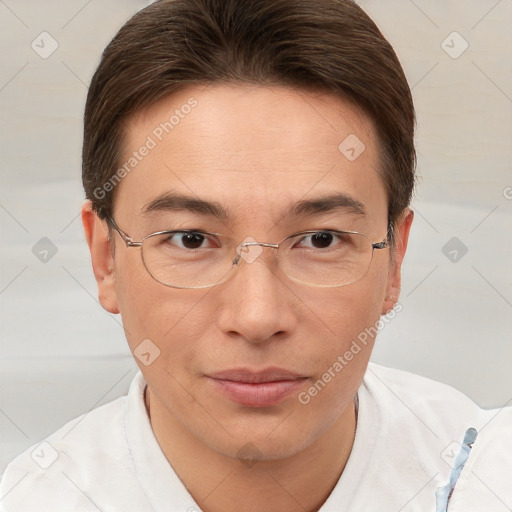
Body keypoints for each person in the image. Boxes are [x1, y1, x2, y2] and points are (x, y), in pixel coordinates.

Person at [0, 0, 510, 510]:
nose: (257, 317)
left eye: (321, 239)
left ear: (394, 257)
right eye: (191, 239)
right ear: (106, 258)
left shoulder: (486, 479)